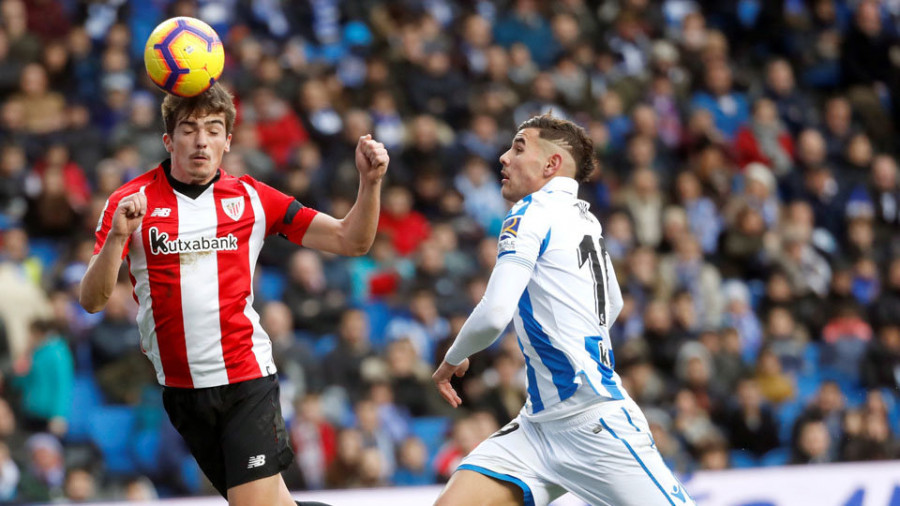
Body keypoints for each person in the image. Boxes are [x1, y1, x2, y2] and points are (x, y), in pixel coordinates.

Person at [79, 83, 388, 506]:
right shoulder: (131, 203)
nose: (201, 140)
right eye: (188, 129)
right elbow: (92, 301)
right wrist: (117, 238)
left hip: (245, 379)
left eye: (213, 128)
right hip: (182, 392)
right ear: (168, 140)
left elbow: (350, 240)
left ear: (228, 140)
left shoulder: (253, 199)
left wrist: (369, 184)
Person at [432, 114, 694, 506]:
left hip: (594, 423)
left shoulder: (529, 212)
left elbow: (495, 311)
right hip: (537, 427)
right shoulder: (585, 219)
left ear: (551, 165)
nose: (504, 157)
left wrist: (451, 359)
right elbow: (615, 304)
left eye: (519, 147)